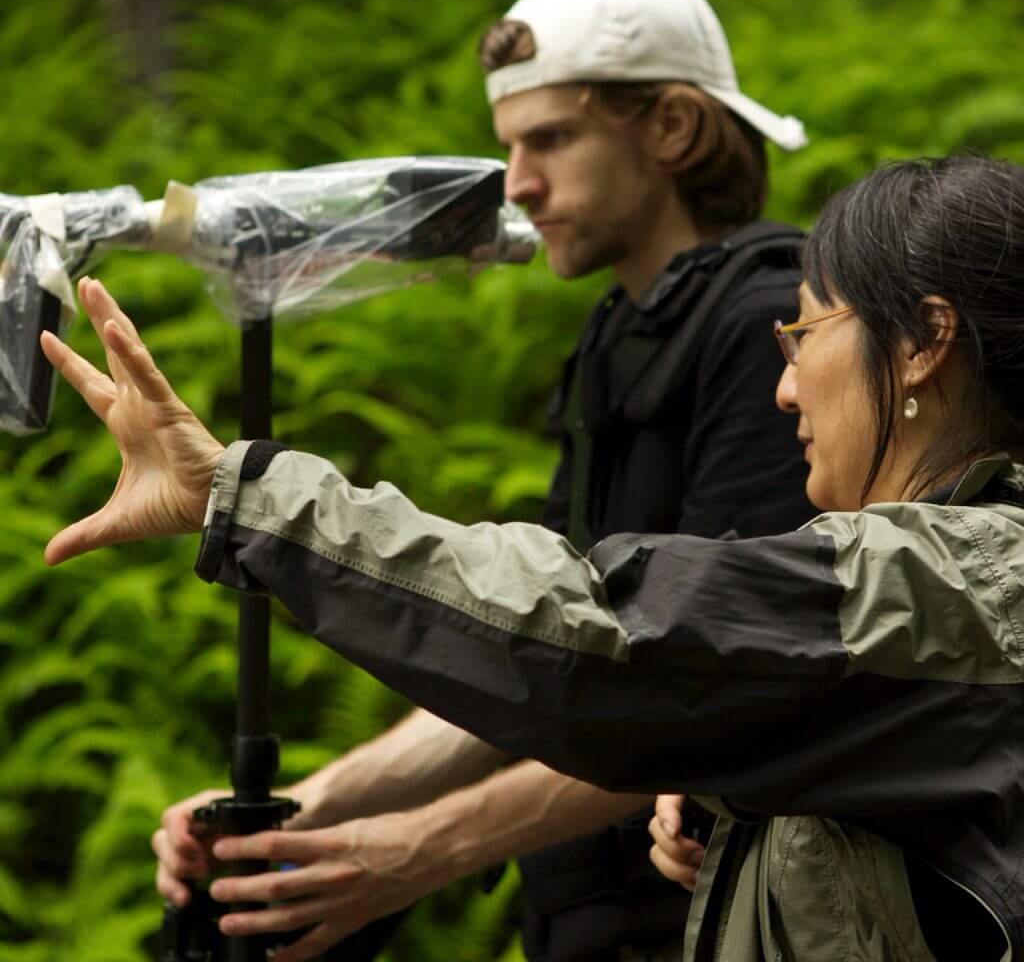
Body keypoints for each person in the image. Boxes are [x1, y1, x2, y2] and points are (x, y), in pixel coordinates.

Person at [42, 154, 1024, 961]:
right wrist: (748, 824)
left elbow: (596, 635)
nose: (785, 388)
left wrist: (245, 494)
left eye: (803, 331)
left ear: (921, 344)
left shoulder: (952, 583)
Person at [148, 0, 814, 962]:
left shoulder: (765, 330)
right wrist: (305, 815)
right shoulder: (621, 333)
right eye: (509, 146)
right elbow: (537, 652)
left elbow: (713, 694)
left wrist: (416, 851)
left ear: (674, 127)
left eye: (550, 139)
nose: (517, 183)